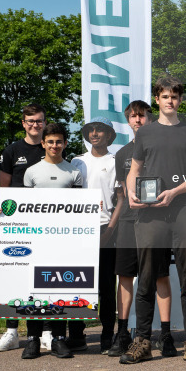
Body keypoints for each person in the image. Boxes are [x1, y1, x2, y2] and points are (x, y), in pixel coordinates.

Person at [121, 76, 186, 365]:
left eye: (174, 96)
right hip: (149, 213)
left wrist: (175, 191)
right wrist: (131, 193)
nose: (170, 101)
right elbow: (133, 170)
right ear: (157, 100)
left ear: (179, 100)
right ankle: (142, 343)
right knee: (146, 278)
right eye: (165, 96)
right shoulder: (146, 133)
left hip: (184, 208)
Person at [108, 101, 175, 358]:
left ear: (151, 117)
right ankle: (122, 332)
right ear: (128, 121)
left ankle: (165, 334)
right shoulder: (123, 153)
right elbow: (122, 193)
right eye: (133, 117)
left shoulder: (162, 147)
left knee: (159, 275)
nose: (138, 120)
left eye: (142, 116)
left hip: (156, 220)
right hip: (128, 221)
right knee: (125, 276)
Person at [20, 122, 84, 359]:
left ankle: (58, 339)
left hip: (64, 241)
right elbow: (22, 208)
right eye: (50, 142)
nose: (55, 145)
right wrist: (5, 210)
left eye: (59, 142)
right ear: (43, 144)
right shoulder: (32, 172)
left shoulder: (74, 172)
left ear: (65, 144)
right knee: (33, 289)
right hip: (36, 240)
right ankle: (32, 340)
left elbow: (80, 209)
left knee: (60, 288)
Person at [0, 104, 47, 353]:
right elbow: (5, 190)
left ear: (45, 123)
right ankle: (12, 331)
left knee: (44, 277)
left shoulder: (52, 146)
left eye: (39, 121)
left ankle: (46, 331)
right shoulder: (12, 150)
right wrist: (2, 208)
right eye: (31, 121)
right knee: (15, 275)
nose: (35, 125)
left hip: (47, 224)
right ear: (23, 123)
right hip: (18, 223)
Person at [71, 117, 119, 353]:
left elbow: (121, 199)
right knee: (78, 283)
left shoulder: (115, 161)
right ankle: (77, 334)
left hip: (105, 227)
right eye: (91, 130)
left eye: (100, 130)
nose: (95, 133)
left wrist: (111, 228)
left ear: (109, 135)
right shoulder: (76, 161)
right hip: (79, 229)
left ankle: (107, 334)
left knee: (107, 285)